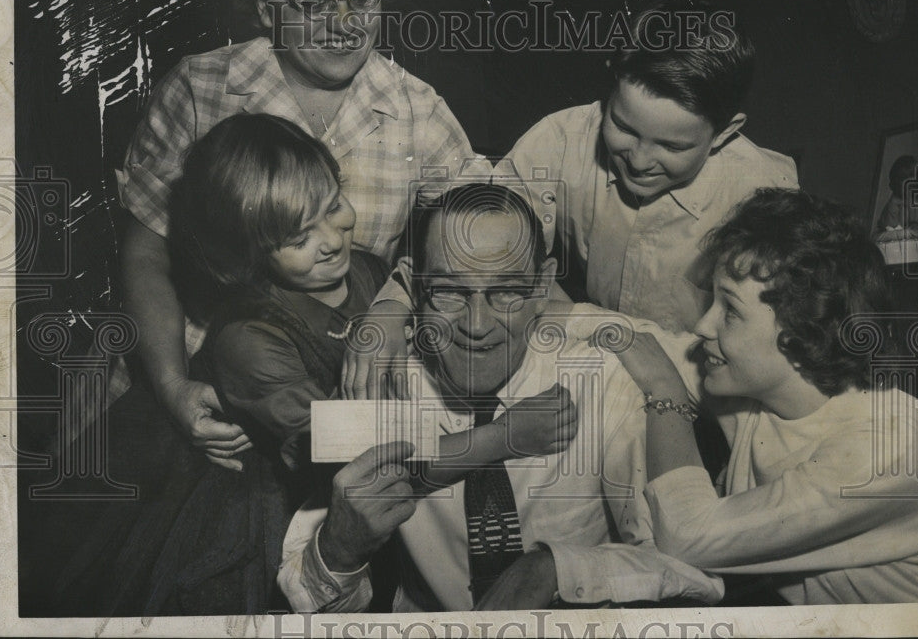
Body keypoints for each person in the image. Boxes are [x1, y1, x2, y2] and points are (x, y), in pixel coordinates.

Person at [49, 117, 559, 616]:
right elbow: (355, 463)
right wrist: (505, 436)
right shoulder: (247, 341)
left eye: (333, 206)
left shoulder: (364, 268)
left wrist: (394, 304)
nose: (332, 240)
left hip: (384, 464)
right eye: (298, 238)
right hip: (271, 507)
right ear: (245, 255)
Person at [114, 0, 480, 470]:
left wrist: (394, 306)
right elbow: (144, 252)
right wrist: (171, 386)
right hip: (210, 390)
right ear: (266, 7)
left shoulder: (418, 109)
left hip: (351, 398)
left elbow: (475, 235)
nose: (344, 23)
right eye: (314, 4)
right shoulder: (200, 87)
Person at [493, 188, 918, 605]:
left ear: (804, 330)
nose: (704, 325)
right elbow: (644, 337)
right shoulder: (760, 386)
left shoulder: (887, 448)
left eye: (731, 311)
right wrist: (519, 307)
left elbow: (687, 537)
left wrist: (666, 395)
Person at [277, 184, 723, 612]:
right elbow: (306, 598)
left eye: (507, 290)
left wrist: (553, 568)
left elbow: (693, 572)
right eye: (449, 291)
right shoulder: (382, 386)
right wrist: (340, 549)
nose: (477, 323)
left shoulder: (600, 379)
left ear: (543, 286)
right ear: (414, 288)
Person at [506, 0, 797, 333]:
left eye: (673, 146)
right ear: (612, 87)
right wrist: (597, 328)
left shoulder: (765, 196)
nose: (639, 162)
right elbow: (494, 260)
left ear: (724, 132)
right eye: (624, 127)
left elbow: (768, 345)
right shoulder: (559, 140)